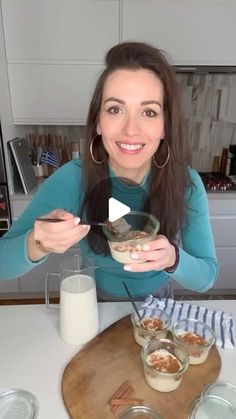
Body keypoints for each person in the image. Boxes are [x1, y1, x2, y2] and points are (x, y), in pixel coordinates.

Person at [0, 42, 218, 300]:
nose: (131, 129)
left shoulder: (185, 182)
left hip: (160, 302)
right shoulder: (72, 180)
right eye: (116, 109)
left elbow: (206, 277)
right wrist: (37, 242)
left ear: (164, 127)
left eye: (149, 112)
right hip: (96, 301)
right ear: (98, 122)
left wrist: (173, 257)